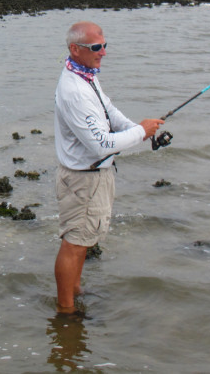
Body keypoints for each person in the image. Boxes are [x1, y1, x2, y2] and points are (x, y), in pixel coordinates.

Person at [53, 21, 164, 314]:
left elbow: (108, 112)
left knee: (84, 240)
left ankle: (76, 292)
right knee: (74, 244)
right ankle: (66, 311)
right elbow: (101, 145)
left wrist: (138, 129)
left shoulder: (86, 75)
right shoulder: (75, 91)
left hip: (92, 178)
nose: (103, 52)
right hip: (83, 180)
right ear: (75, 49)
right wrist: (140, 132)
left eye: (105, 45)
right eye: (96, 47)